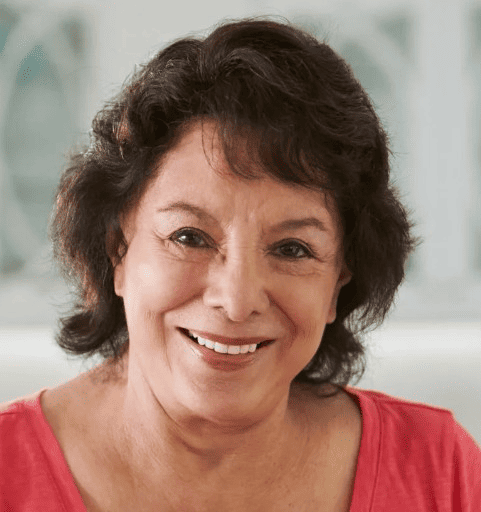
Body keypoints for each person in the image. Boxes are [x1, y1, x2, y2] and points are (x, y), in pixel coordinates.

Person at [1, 17, 480, 512]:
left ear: (339, 280)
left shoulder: (440, 472)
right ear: (118, 249)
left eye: (292, 249)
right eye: (189, 237)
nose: (236, 300)